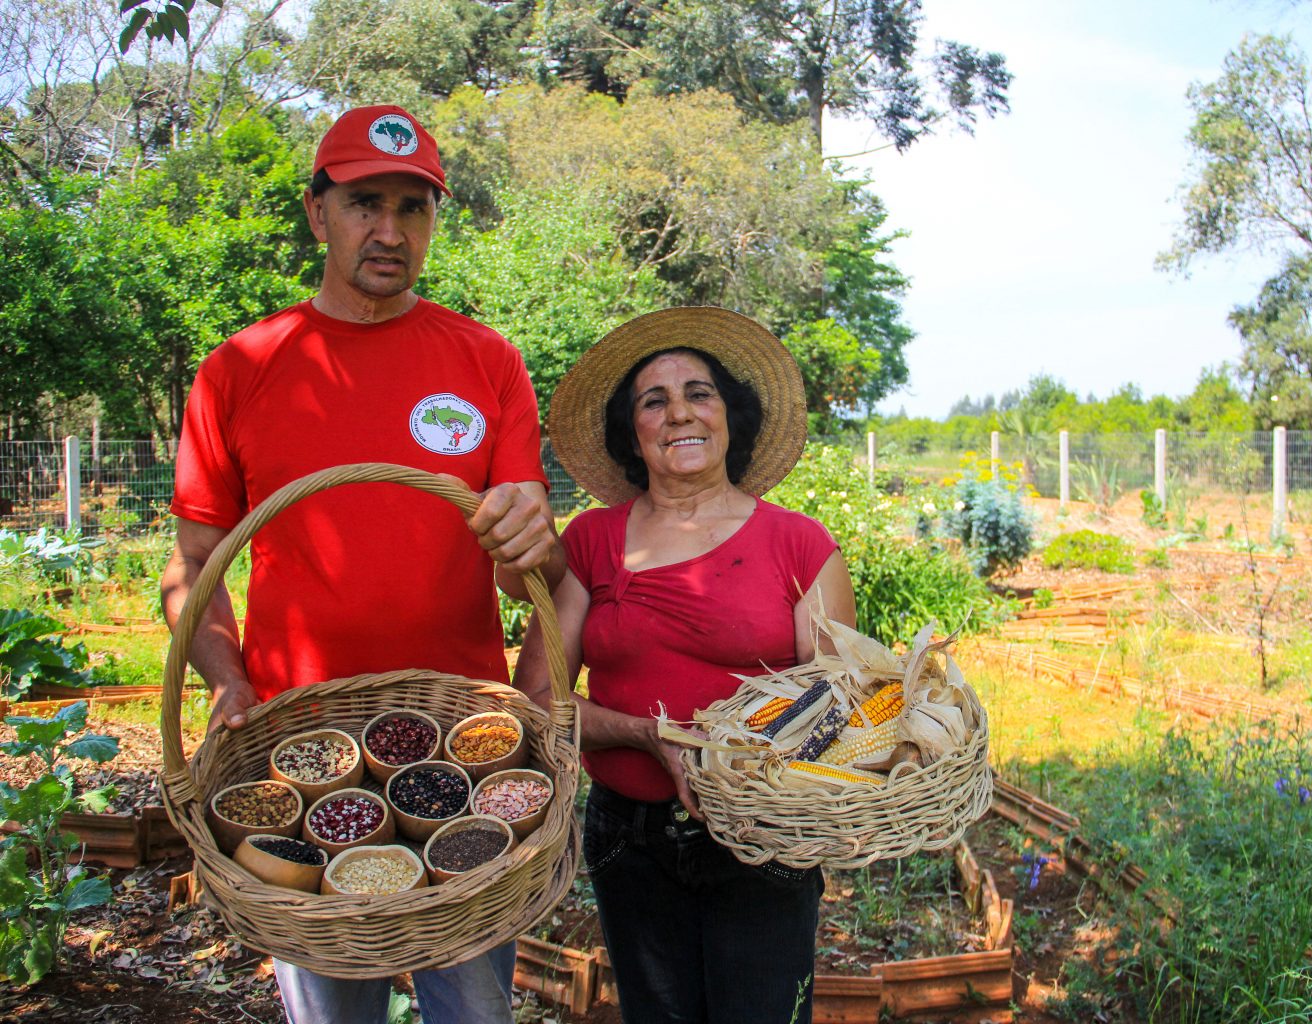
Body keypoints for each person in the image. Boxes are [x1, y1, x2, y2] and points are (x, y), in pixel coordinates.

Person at [158, 104, 563, 1024]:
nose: (390, 231)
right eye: (364, 203)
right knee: (332, 1009)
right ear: (316, 213)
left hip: (464, 748)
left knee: (474, 1010)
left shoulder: (487, 362)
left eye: (414, 207)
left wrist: (536, 540)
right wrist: (226, 681)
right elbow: (195, 569)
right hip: (302, 759)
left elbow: (526, 570)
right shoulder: (242, 369)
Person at [512, 306, 857, 1024]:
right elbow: (537, 702)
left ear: (731, 414)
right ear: (631, 433)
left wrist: (741, 768)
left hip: (766, 837)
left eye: (699, 393)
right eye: (653, 401)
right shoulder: (593, 541)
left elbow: (836, 707)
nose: (678, 414)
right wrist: (646, 735)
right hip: (630, 838)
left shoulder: (800, 545)